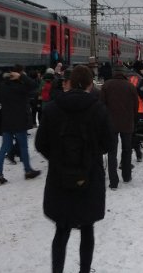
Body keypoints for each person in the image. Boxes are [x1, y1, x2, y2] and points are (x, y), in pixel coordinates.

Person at [35, 65, 112, 273]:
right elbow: (108, 143)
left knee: (61, 230)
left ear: (68, 82)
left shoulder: (51, 108)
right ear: (89, 84)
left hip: (59, 180)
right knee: (87, 229)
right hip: (90, 178)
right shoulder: (98, 109)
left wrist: (58, 159)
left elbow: (40, 144)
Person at [0, 64, 41, 186]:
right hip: (19, 122)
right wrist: (22, 78)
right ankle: (28, 171)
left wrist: (5, 80)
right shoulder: (22, 86)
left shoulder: (4, 85)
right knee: (23, 147)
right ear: (20, 73)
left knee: (4, 148)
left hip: (6, 122)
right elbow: (35, 86)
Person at [99, 64, 139, 188]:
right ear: (124, 74)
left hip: (111, 124)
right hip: (127, 123)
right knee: (127, 150)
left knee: (112, 152)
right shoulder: (130, 86)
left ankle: (113, 181)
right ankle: (126, 176)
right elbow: (136, 105)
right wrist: (132, 116)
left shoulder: (106, 85)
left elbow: (101, 105)